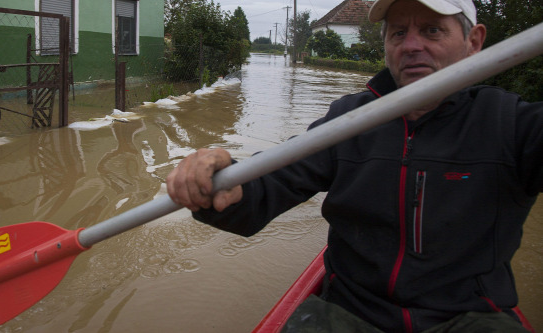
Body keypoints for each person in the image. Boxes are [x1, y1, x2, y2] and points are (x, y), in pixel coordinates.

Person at [166, 0, 543, 331]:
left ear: (474, 42)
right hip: (350, 312)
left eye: (432, 30)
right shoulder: (348, 120)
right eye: (398, 33)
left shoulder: (513, 124)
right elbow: (270, 183)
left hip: (469, 317)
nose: (411, 45)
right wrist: (225, 182)